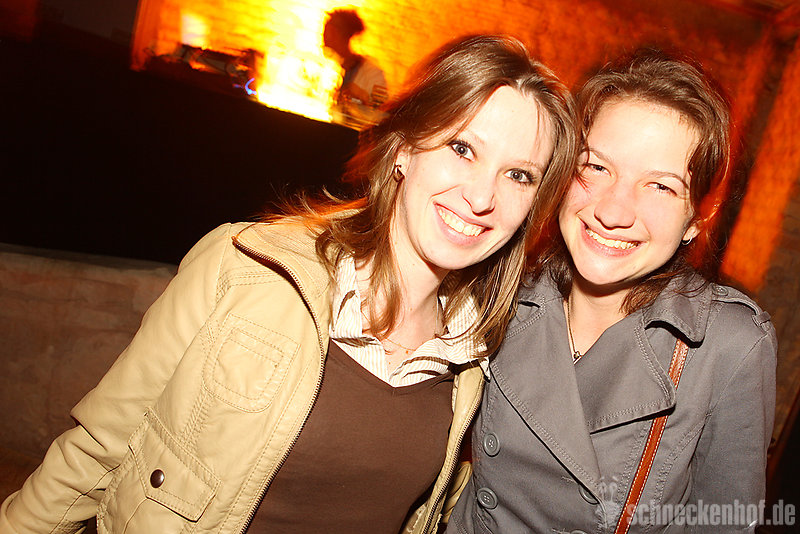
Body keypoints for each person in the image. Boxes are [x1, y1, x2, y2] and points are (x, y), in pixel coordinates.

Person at [0, 35, 578, 534]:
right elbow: (96, 452)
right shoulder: (245, 268)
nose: (482, 197)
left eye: (518, 175)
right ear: (404, 149)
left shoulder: (477, 352)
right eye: (462, 148)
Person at [447, 49, 777, 533]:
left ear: (697, 217)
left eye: (660, 186)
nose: (613, 211)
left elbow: (726, 521)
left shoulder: (728, 344)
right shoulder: (497, 288)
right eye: (596, 168)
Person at [323, 8, 388, 129]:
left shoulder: (373, 72)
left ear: (337, 34)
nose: (323, 39)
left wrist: (359, 98)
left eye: (327, 32)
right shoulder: (337, 69)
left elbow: (381, 117)